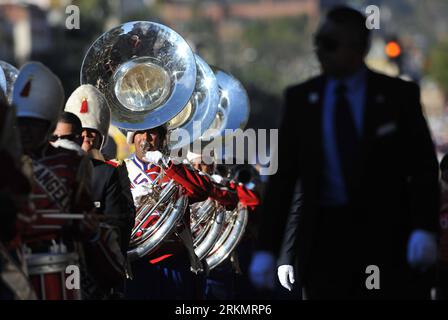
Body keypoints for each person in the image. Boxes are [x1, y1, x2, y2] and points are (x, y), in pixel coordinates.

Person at [250, 6, 439, 299]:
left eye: (329, 44)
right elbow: (287, 182)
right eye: (319, 43)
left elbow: (423, 168)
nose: (320, 52)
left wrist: (424, 229)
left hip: (386, 241)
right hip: (324, 247)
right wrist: (272, 251)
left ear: (358, 47)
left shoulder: (397, 97)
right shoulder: (301, 99)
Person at [124, 127, 212, 299]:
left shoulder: (175, 169)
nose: (146, 138)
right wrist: (128, 199)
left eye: (153, 133)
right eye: (140, 132)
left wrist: (165, 162)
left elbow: (202, 190)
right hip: (133, 261)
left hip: (172, 259)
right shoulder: (119, 169)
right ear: (132, 137)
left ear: (162, 138)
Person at [64, 85, 135, 298]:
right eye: (82, 134)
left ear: (99, 139)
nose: (86, 139)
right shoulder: (55, 168)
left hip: (94, 270)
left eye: (92, 135)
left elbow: (119, 224)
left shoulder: (109, 173)